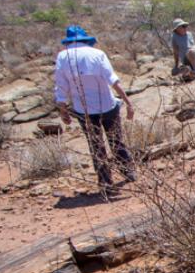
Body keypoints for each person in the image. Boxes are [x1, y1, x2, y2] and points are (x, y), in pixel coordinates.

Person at [54, 25, 135, 198]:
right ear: (85, 39)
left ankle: (106, 183)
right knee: (116, 140)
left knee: (96, 146)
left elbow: (61, 87)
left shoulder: (62, 57)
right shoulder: (97, 54)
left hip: (83, 110)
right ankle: (128, 172)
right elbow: (113, 80)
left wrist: (63, 110)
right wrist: (128, 102)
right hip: (107, 104)